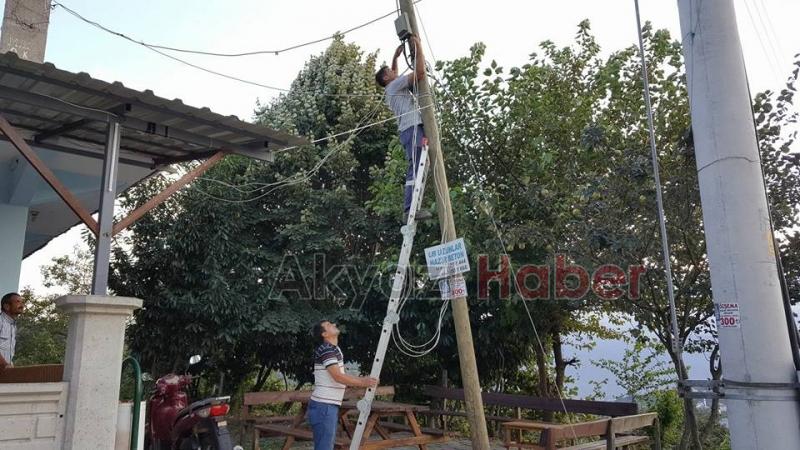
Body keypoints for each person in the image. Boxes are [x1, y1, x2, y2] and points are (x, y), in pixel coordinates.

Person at [375, 35, 433, 223]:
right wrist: (418, 45)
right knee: (415, 167)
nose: (395, 72)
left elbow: (394, 73)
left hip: (409, 129)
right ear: (386, 77)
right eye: (390, 71)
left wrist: (395, 57)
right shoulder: (394, 85)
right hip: (411, 128)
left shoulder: (391, 88)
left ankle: (411, 208)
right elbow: (420, 73)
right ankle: (409, 209)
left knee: (418, 164)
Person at [308, 320, 377, 450]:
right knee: (324, 447)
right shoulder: (326, 349)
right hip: (324, 406)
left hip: (327, 405)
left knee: (326, 446)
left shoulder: (334, 349)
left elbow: (339, 376)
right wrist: (364, 382)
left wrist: (359, 382)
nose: (334, 324)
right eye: (329, 325)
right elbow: (338, 377)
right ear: (324, 334)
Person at [0, 292, 24, 373]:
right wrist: (5, 365)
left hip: (5, 372)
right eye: (17, 302)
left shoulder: (13, 325)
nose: (22, 305)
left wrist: (10, 365)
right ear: (7, 306)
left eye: (22, 302)